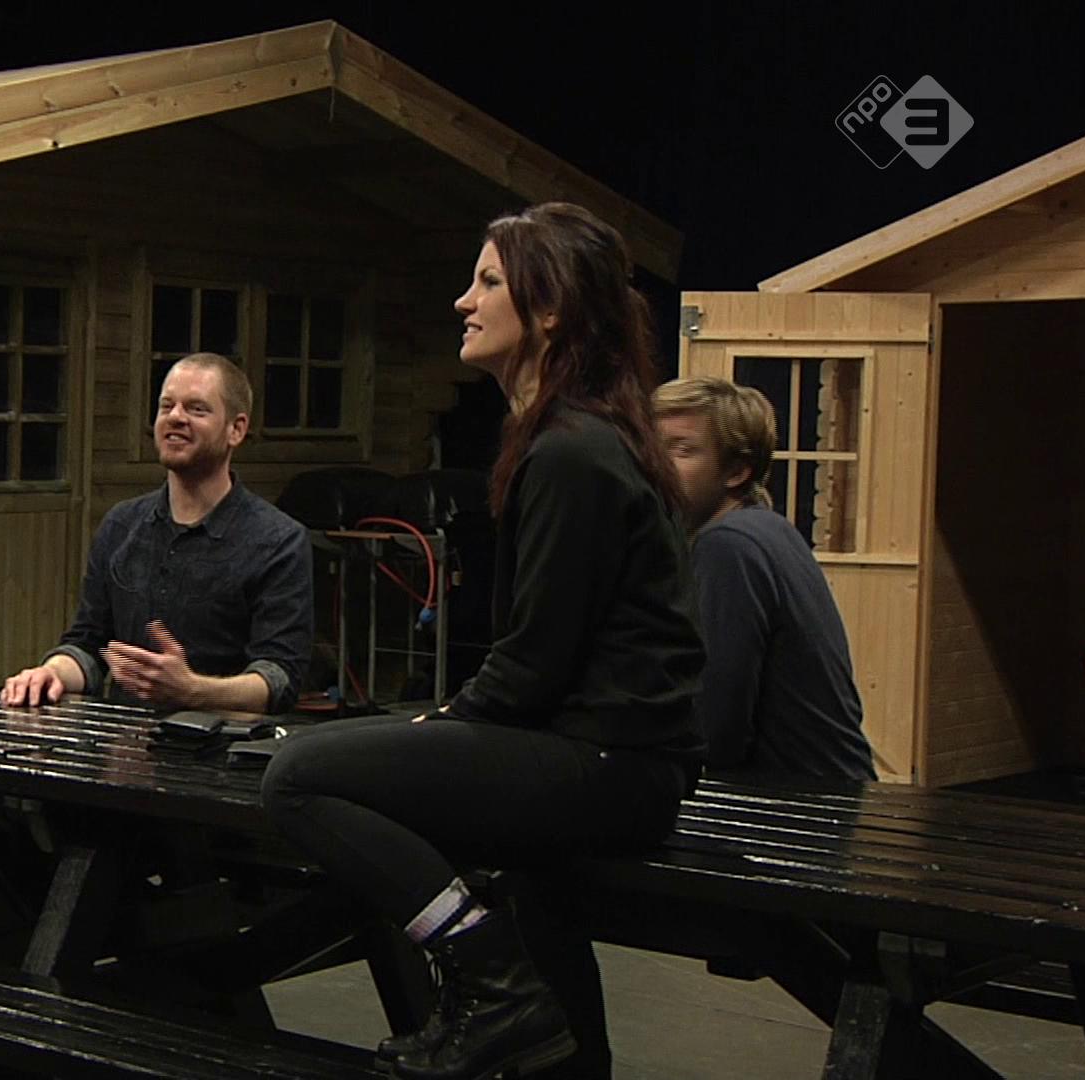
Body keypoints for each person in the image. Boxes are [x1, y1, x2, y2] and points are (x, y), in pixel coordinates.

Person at [262, 203, 705, 1080]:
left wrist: (444, 723)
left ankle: (491, 980)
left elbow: (534, 663)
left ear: (551, 311)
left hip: (613, 766)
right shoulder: (572, 438)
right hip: (610, 759)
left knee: (299, 776)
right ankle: (546, 1029)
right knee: (527, 889)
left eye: (489, 282)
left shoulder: (573, 452)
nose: (464, 302)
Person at [0, 353, 312, 713]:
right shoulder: (121, 525)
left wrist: (193, 691)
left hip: (225, 741)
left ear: (236, 430)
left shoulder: (279, 541)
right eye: (167, 406)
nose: (175, 417)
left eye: (196, 409)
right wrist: (51, 672)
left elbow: (279, 678)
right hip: (125, 741)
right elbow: (89, 644)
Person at [654, 376, 875, 781]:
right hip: (832, 792)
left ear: (737, 471)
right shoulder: (767, 528)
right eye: (653, 448)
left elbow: (716, 731)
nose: (657, 466)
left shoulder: (729, 545)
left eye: (682, 450)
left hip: (800, 803)